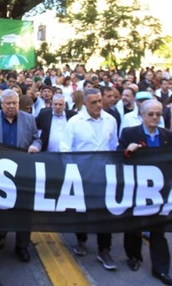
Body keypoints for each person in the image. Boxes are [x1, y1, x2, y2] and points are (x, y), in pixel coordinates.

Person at [119, 100, 172, 285]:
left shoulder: (169, 135)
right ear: (141, 115)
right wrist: (127, 150)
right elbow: (117, 155)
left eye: (158, 114)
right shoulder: (129, 133)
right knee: (134, 226)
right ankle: (133, 257)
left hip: (159, 190)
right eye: (151, 114)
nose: (155, 118)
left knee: (158, 229)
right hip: (136, 187)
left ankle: (161, 269)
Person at [0, 89, 40, 262]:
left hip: (23, 171)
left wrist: (35, 145)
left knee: (24, 209)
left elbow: (37, 138)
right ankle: (0, 234)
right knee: (0, 206)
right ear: (1, 104)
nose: (11, 106)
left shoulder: (29, 119)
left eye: (14, 103)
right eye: (8, 103)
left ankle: (22, 246)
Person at [65, 88, 118, 271]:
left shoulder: (111, 120)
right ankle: (81, 239)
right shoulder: (74, 122)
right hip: (82, 175)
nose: (98, 105)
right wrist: (72, 174)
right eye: (93, 102)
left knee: (104, 213)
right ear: (85, 104)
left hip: (104, 176)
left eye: (99, 101)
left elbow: (114, 146)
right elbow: (65, 150)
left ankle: (104, 249)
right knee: (82, 211)